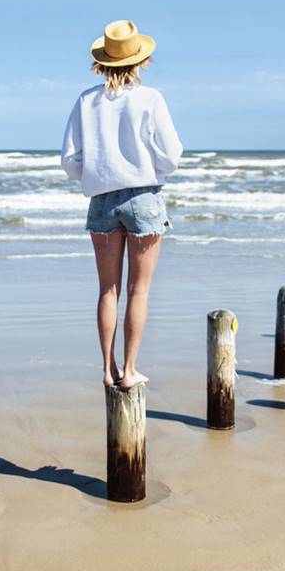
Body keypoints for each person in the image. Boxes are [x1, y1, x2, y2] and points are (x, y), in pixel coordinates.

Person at [60, 20, 183, 389]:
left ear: (104, 62)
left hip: (101, 201)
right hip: (143, 196)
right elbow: (172, 155)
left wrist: (95, 176)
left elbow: (69, 160)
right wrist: (148, 167)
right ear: (140, 61)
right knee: (138, 291)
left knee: (107, 290)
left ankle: (107, 369)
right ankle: (130, 370)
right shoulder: (151, 98)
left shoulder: (86, 101)